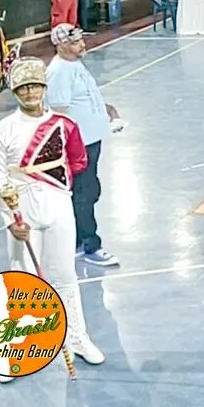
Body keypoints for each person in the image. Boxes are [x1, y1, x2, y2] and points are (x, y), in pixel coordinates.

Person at [0, 57, 104, 381]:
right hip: (20, 209)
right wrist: (9, 218)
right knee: (23, 279)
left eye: (34, 85)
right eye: (22, 87)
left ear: (43, 87)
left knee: (65, 274)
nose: (29, 92)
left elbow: (78, 162)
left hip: (56, 203)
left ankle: (77, 336)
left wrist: (53, 184)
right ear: (14, 90)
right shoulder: (1, 131)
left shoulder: (65, 125)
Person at [46, 24, 121, 267]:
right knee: (84, 194)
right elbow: (59, 112)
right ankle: (90, 245)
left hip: (91, 138)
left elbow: (82, 96)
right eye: (76, 42)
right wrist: (69, 148)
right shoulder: (58, 72)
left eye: (81, 40)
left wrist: (104, 108)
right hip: (80, 145)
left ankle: (77, 240)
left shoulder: (75, 64)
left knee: (89, 190)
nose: (82, 44)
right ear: (61, 45)